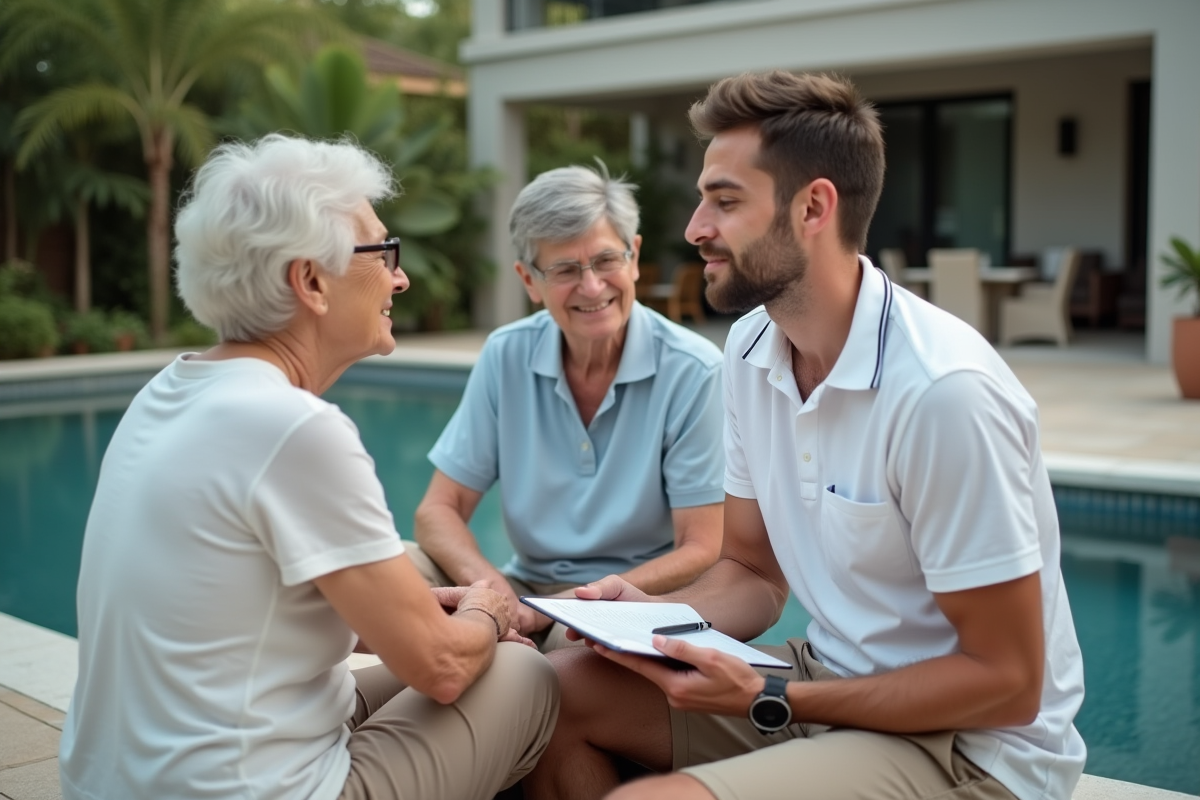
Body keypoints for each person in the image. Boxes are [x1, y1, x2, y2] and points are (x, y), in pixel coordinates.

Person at [524, 71, 1086, 800]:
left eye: (724, 201)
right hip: (832, 679)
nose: (695, 227)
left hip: (973, 750)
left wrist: (775, 696)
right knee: (555, 693)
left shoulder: (945, 396)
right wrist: (638, 613)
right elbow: (754, 576)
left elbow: (1007, 684)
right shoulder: (753, 349)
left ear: (814, 206)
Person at [58, 134, 559, 800]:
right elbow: (439, 667)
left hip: (116, 783)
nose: (400, 277)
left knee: (452, 651)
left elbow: (230, 611)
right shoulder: (294, 428)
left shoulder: (172, 391)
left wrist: (427, 612)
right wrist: (490, 611)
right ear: (311, 281)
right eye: (383, 253)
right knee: (521, 673)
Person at [409, 163, 726, 651]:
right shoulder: (506, 354)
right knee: (403, 569)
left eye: (605, 261)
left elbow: (703, 549)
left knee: (567, 649)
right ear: (529, 281)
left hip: (635, 597)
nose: (593, 287)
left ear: (634, 256)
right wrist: (492, 591)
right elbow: (437, 510)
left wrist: (567, 606)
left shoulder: (695, 370)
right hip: (524, 588)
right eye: (564, 270)